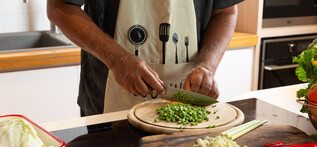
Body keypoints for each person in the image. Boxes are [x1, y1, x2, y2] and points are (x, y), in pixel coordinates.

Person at [47, 0, 244, 116]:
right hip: (107, 106)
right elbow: (59, 7)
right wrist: (117, 60)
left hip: (189, 105)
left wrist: (207, 66)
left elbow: (225, 12)